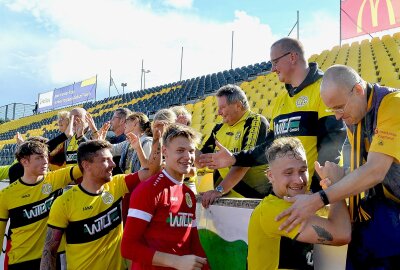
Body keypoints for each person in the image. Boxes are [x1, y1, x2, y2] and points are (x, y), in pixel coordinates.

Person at [275, 64, 400, 269]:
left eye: (339, 107)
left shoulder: (393, 104)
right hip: (374, 212)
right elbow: (361, 171)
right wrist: (333, 180)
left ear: (358, 90)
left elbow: (375, 171)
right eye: (332, 110)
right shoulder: (355, 112)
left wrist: (320, 198)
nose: (338, 117)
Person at [198, 37, 346, 193]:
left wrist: (317, 193)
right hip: (286, 195)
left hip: (315, 194)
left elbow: (332, 144)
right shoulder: (280, 100)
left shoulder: (324, 88)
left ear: (292, 57)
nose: (272, 69)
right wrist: (235, 158)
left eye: (275, 62)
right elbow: (269, 148)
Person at [40, 137, 162, 270]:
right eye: (105, 160)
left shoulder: (117, 184)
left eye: (111, 159)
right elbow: (50, 250)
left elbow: (151, 172)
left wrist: (157, 138)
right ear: (86, 165)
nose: (113, 164)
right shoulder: (64, 203)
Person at [247, 137, 351, 270]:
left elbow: (340, 218)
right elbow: (341, 234)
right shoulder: (272, 210)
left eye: (303, 171)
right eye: (288, 173)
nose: (298, 180)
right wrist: (335, 188)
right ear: (270, 176)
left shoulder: (305, 203)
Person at [121, 124, 209, 270]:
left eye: (191, 151)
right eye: (180, 151)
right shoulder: (149, 190)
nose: (188, 157)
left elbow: (194, 244)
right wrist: (176, 262)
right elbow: (128, 247)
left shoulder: (188, 194)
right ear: (165, 152)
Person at [0, 140, 82, 269]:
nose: (45, 161)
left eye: (45, 156)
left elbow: (87, 166)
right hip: (22, 259)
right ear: (24, 162)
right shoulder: (6, 195)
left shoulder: (56, 178)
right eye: (39, 158)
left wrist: (93, 139)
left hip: (53, 256)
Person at [197, 84, 270, 206]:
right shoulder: (219, 128)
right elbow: (200, 160)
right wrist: (184, 141)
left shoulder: (255, 122)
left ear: (238, 105)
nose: (219, 112)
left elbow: (244, 163)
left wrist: (219, 190)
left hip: (253, 200)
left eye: (222, 107)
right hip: (225, 198)